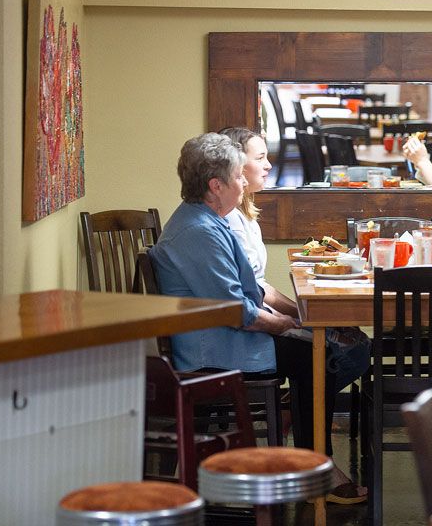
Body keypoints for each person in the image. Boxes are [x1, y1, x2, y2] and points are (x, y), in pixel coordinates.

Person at [149, 132, 364, 502]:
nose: (245, 181)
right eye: (238, 176)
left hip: (222, 333)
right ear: (216, 186)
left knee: (321, 349)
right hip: (213, 349)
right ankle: (316, 469)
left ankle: (309, 462)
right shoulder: (198, 232)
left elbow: (245, 295)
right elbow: (239, 313)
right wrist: (290, 324)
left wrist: (293, 324)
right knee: (321, 358)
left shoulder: (208, 220)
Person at [219, 127, 371, 394]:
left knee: (354, 337)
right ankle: (300, 414)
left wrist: (301, 315)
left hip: (256, 313)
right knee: (353, 347)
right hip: (244, 331)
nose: (268, 165)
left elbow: (257, 286)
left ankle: (301, 410)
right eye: (260, 158)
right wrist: (299, 317)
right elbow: (251, 292)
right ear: (237, 165)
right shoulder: (230, 221)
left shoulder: (245, 214)